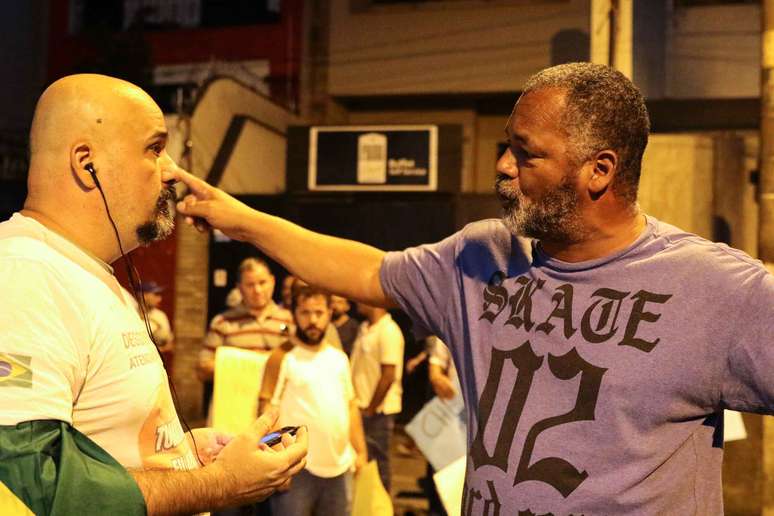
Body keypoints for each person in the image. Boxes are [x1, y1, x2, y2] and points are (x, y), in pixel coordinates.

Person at [171, 62, 774, 514]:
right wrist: (237, 216)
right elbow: (363, 270)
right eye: (506, 147)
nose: (504, 167)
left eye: (526, 154)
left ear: (600, 170)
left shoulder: (712, 288)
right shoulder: (481, 257)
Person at [0, 73, 307, 515]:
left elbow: (106, 446)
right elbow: (30, 486)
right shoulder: (23, 274)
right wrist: (218, 484)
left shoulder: (88, 274)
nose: (172, 171)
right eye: (155, 148)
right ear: (87, 163)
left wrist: (182, 456)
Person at [263, 285, 368, 516]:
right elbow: (266, 412)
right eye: (305, 313)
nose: (313, 320)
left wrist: (360, 451)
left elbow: (350, 406)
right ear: (294, 315)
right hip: (297, 469)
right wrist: (277, 466)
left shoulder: (339, 359)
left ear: (330, 313)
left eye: (319, 313)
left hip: (341, 467)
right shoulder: (282, 357)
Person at [199, 257, 293, 415]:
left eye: (262, 282)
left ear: (272, 281)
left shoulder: (290, 321)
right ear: (239, 288)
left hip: (279, 412)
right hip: (234, 411)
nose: (257, 290)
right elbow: (202, 369)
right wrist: (253, 362)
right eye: (250, 285)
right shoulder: (223, 322)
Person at [350, 303, 404, 493]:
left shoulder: (389, 331)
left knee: (378, 464)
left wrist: (371, 409)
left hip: (379, 411)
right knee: (366, 464)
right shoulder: (365, 329)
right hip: (361, 406)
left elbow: (388, 374)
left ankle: (381, 508)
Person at [138, 280, 175, 375]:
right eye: (155, 295)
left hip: (157, 366)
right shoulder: (130, 313)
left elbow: (170, 345)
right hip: (137, 367)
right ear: (144, 295)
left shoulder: (159, 315)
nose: (159, 299)